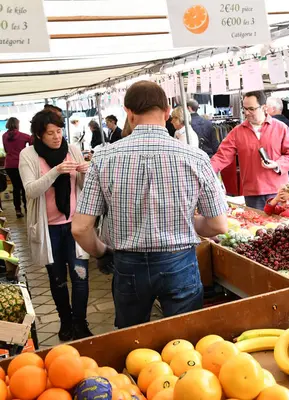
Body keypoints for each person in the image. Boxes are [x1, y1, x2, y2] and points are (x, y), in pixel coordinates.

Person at [71, 81, 228, 329]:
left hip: (127, 263)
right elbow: (219, 224)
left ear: (128, 112)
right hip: (180, 262)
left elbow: (80, 228)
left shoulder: (103, 157)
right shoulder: (195, 157)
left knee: (132, 343)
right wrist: (187, 221)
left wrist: (101, 252)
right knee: (185, 341)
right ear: (167, 112)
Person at [19, 110, 92, 341]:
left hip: (74, 226)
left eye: (59, 131)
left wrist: (85, 172)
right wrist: (55, 171)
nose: (56, 137)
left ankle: (80, 322)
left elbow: (83, 187)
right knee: (58, 278)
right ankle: (66, 322)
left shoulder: (72, 150)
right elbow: (30, 190)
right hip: (49, 230)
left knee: (80, 276)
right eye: (50, 133)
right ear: (39, 135)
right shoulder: (28, 155)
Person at [211, 91, 289, 210]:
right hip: (252, 192)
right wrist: (206, 170)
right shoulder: (237, 132)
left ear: (264, 108)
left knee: (280, 227)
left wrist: (277, 164)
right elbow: (222, 156)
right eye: (245, 109)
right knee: (256, 227)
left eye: (251, 109)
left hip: (279, 192)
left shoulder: (281, 128)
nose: (247, 113)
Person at [2, 117, 33, 218]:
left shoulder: (4, 136)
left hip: (9, 164)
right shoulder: (23, 136)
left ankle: (18, 210)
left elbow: (6, 150)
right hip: (21, 164)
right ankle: (27, 208)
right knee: (24, 187)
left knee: (16, 187)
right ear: (17, 125)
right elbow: (32, 142)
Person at [267, 96, 289, 180]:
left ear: (273, 109)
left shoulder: (270, 124)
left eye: (266, 107)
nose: (264, 110)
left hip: (275, 168)